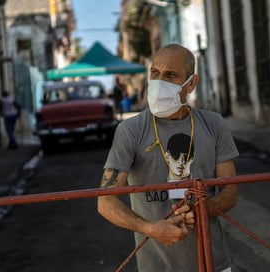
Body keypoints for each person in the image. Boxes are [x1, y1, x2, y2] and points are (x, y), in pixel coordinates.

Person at [98, 44, 239, 272]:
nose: (159, 82)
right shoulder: (130, 130)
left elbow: (230, 192)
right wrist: (149, 228)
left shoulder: (213, 124)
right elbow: (105, 201)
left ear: (191, 83)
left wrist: (199, 212)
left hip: (214, 263)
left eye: (171, 75)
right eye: (155, 73)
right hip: (157, 267)